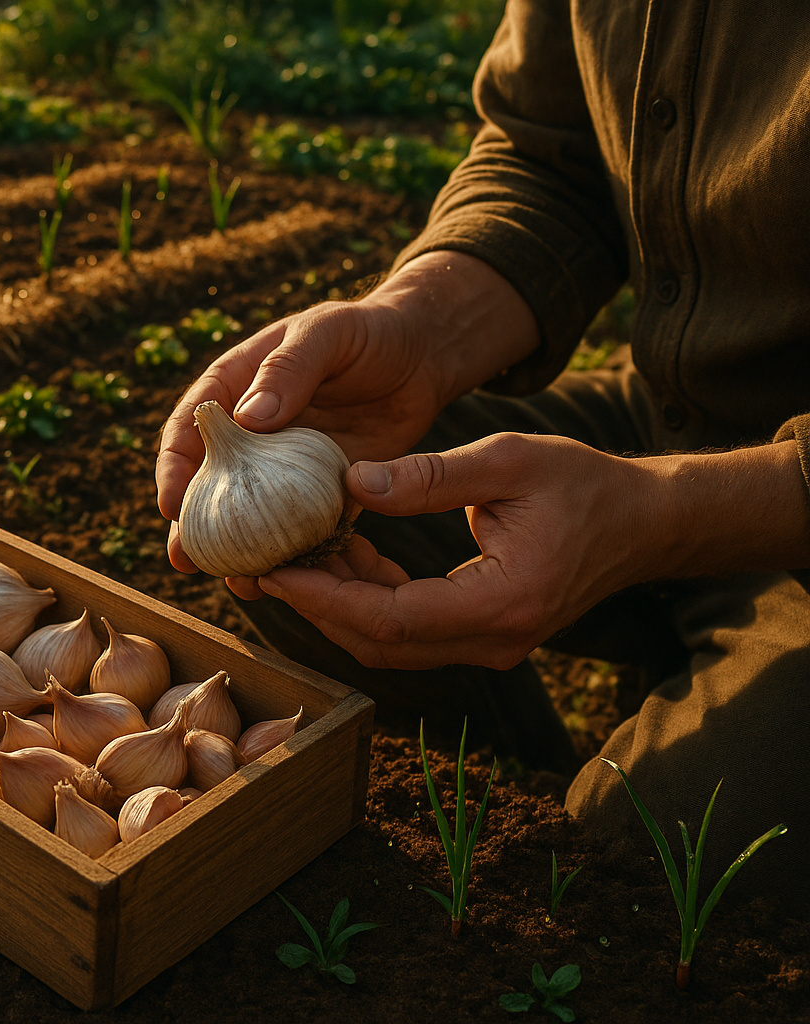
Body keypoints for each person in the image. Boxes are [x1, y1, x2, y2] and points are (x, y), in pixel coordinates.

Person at [156, 1, 810, 902]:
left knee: (651, 855)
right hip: (671, 413)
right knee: (302, 564)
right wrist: (419, 322)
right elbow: (546, 157)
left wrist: (665, 516)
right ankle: (526, 782)